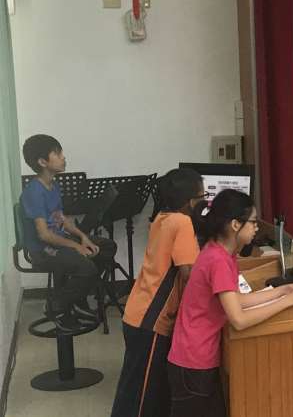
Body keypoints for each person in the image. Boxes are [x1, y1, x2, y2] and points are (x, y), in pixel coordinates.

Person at [167, 189, 293, 417]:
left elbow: (238, 300)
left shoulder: (223, 253)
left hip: (200, 357)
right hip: (193, 361)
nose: (256, 228)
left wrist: (284, 290)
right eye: (253, 222)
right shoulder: (218, 261)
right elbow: (239, 319)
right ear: (235, 224)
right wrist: (289, 301)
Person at [110, 168, 207, 417]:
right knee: (139, 399)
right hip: (151, 321)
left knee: (144, 391)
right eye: (203, 197)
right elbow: (189, 273)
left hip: (139, 313)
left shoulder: (163, 217)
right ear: (193, 202)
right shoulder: (183, 222)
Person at [20, 134, 118, 330]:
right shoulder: (34, 192)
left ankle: (77, 295)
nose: (63, 157)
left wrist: (82, 237)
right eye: (57, 153)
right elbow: (44, 235)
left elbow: (61, 219)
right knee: (87, 269)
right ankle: (57, 304)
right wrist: (75, 245)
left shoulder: (54, 185)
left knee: (107, 247)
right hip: (42, 248)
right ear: (42, 162)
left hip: (59, 239)